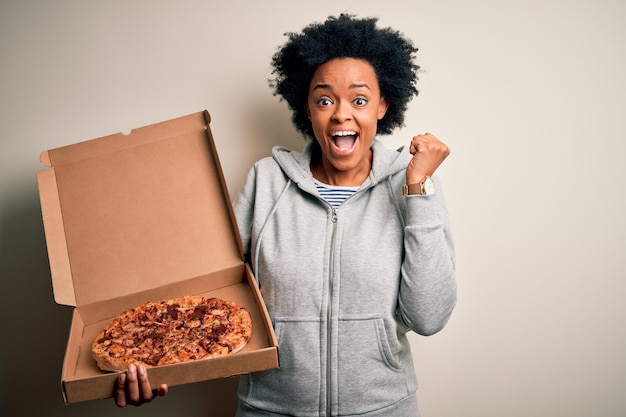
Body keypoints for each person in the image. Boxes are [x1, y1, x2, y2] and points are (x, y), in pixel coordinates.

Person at [115, 14, 457, 416]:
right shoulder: (267, 181)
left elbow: (429, 316)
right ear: (308, 109)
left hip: (382, 408)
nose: (341, 114)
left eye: (359, 100)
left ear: (383, 106)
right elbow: (216, 297)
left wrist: (419, 189)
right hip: (270, 408)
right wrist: (157, 363)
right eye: (324, 99)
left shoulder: (413, 186)